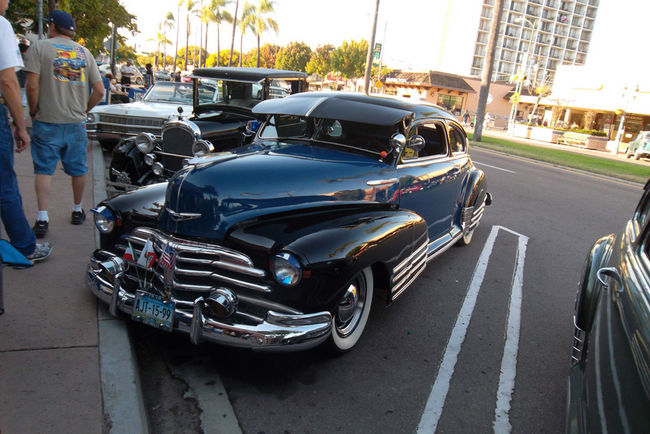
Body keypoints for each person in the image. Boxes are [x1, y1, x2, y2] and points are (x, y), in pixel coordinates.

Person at [24, 9, 104, 238]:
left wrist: (33, 110)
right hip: (76, 122)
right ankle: (78, 210)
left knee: (44, 169)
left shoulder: (40, 47)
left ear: (51, 26)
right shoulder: (85, 53)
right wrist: (84, 110)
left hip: (47, 120)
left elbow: (31, 86)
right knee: (78, 168)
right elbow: (99, 90)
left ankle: (42, 218)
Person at [0, 0, 52, 263]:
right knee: (4, 183)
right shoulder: (1, 25)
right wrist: (21, 126)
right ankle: (23, 245)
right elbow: (8, 81)